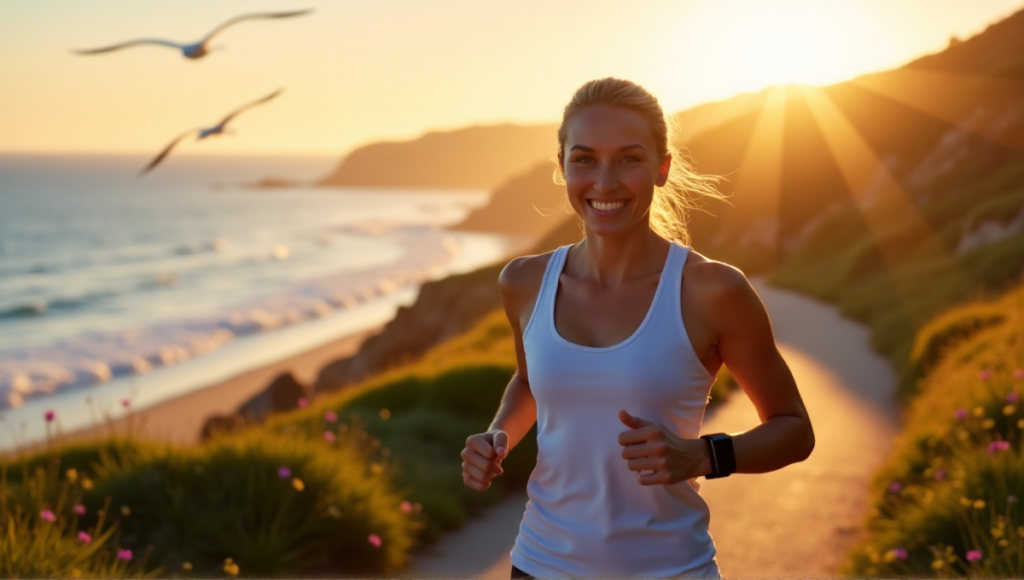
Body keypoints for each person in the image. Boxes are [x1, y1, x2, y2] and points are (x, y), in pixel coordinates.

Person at [460, 78, 815, 579]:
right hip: (540, 565)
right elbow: (528, 383)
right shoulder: (523, 282)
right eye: (584, 159)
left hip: (670, 571)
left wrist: (702, 455)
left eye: (629, 158)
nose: (604, 182)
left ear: (662, 168)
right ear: (561, 166)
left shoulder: (712, 291)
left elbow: (794, 430)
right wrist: (498, 436)